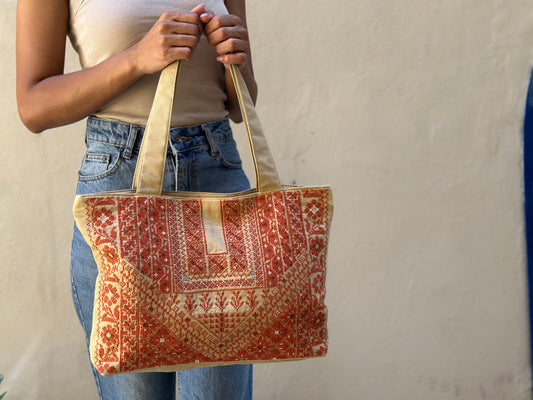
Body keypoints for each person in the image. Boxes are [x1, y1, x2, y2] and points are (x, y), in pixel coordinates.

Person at [16, 1, 256, 399]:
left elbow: (240, 103)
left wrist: (236, 59)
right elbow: (34, 105)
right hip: (119, 189)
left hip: (216, 178)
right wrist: (136, 58)